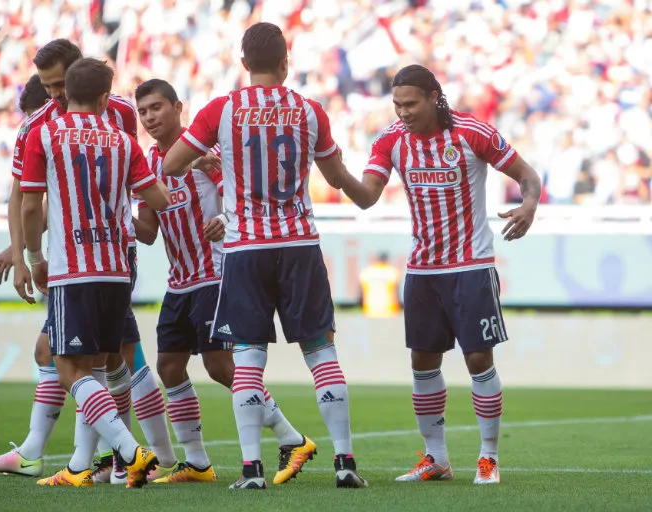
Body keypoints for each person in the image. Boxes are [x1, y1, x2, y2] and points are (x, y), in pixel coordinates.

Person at [162, 22, 367, 490]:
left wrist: (204, 159)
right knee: (321, 351)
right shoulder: (309, 111)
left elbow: (170, 165)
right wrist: (363, 192)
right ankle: (345, 461)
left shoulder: (222, 109)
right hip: (298, 243)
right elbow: (336, 177)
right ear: (284, 62)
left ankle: (252, 469)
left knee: (249, 357)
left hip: (246, 247)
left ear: (243, 64)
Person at [0, 40, 179, 485]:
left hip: (81, 263)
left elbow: (31, 203)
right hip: (106, 259)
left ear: (75, 74)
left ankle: (129, 454)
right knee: (91, 357)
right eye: (47, 87)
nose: (53, 95)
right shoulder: (57, 126)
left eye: (57, 85)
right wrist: (23, 250)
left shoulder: (86, 123)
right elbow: (25, 199)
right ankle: (86, 462)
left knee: (95, 360)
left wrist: (32, 254)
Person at [338, 64, 542, 485]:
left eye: (410, 103)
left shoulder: (472, 133)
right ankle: (436, 458)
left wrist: (529, 205)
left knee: (478, 358)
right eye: (397, 104)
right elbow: (366, 198)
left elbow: (527, 175)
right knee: (422, 362)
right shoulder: (391, 141)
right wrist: (335, 169)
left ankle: (488, 457)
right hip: (423, 269)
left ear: (434, 96)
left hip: (470, 265)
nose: (403, 112)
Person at [133, 79, 317, 485]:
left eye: (156, 107)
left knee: (220, 367)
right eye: (142, 111)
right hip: (180, 280)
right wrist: (110, 213)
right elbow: (147, 231)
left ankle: (290, 437)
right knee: (169, 366)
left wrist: (226, 220)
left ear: (179, 107)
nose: (149, 117)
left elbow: (242, 198)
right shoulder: (146, 163)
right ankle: (197, 462)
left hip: (216, 274)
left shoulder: (209, 155)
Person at [359, 252, 401, 318]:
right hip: (389, 311)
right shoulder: (392, 271)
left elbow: (361, 293)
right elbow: (395, 293)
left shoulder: (367, 271)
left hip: (369, 310)